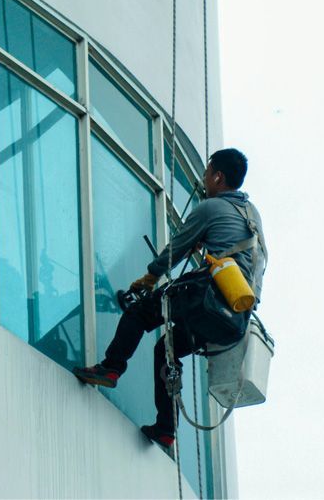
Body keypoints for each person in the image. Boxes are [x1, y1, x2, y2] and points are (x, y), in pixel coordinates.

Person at [73, 148, 267, 449]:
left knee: (138, 313)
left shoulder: (211, 208)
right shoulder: (252, 217)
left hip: (207, 299)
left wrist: (150, 276)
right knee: (167, 349)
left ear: (218, 176)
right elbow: (258, 263)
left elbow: (177, 248)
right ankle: (166, 429)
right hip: (234, 318)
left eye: (207, 173)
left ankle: (111, 368)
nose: (203, 179)